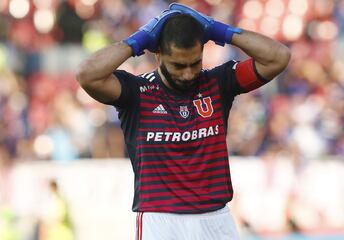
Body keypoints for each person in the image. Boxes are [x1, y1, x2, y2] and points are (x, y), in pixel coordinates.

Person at [76, 3, 291, 239]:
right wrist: (138, 41)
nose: (188, 73)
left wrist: (221, 31)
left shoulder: (218, 84)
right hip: (161, 221)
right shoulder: (136, 92)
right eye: (178, 65)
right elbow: (88, 75)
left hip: (216, 219)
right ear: (158, 54)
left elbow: (278, 57)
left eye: (195, 63)